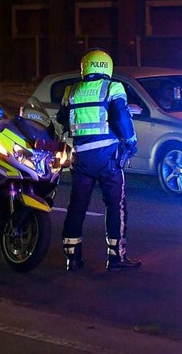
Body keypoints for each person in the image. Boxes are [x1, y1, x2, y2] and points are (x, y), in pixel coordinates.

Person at [57, 48, 141, 272]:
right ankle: (116, 257)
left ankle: (72, 258)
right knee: (115, 205)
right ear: (107, 67)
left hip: (81, 158)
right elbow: (121, 116)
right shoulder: (113, 87)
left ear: (85, 67)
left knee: (77, 205)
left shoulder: (71, 91)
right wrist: (131, 142)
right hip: (108, 158)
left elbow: (62, 119)